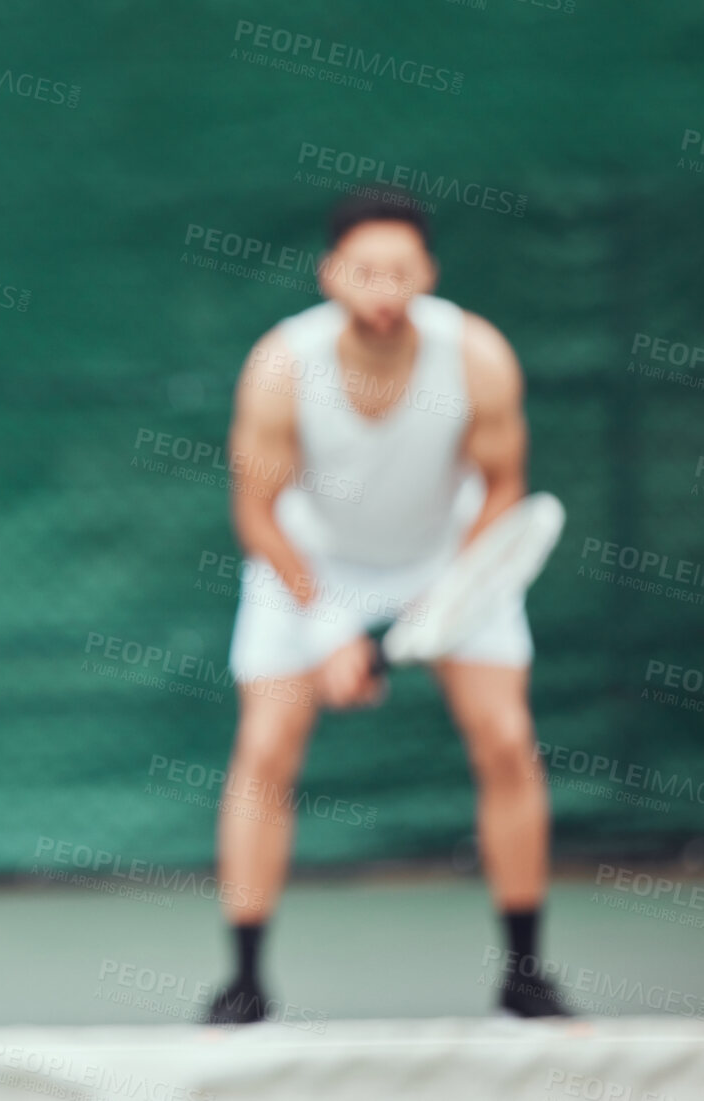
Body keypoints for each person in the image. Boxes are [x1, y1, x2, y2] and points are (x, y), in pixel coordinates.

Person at [206, 189, 568, 1022]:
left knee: (508, 740)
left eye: (400, 272)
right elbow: (256, 515)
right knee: (263, 750)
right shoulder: (280, 365)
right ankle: (244, 981)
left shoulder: (475, 355)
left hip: (448, 557)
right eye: (364, 271)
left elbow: (502, 489)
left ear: (426, 275)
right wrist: (330, 627)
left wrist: (442, 601)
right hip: (307, 559)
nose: (382, 289)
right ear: (331, 274)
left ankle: (523, 975)